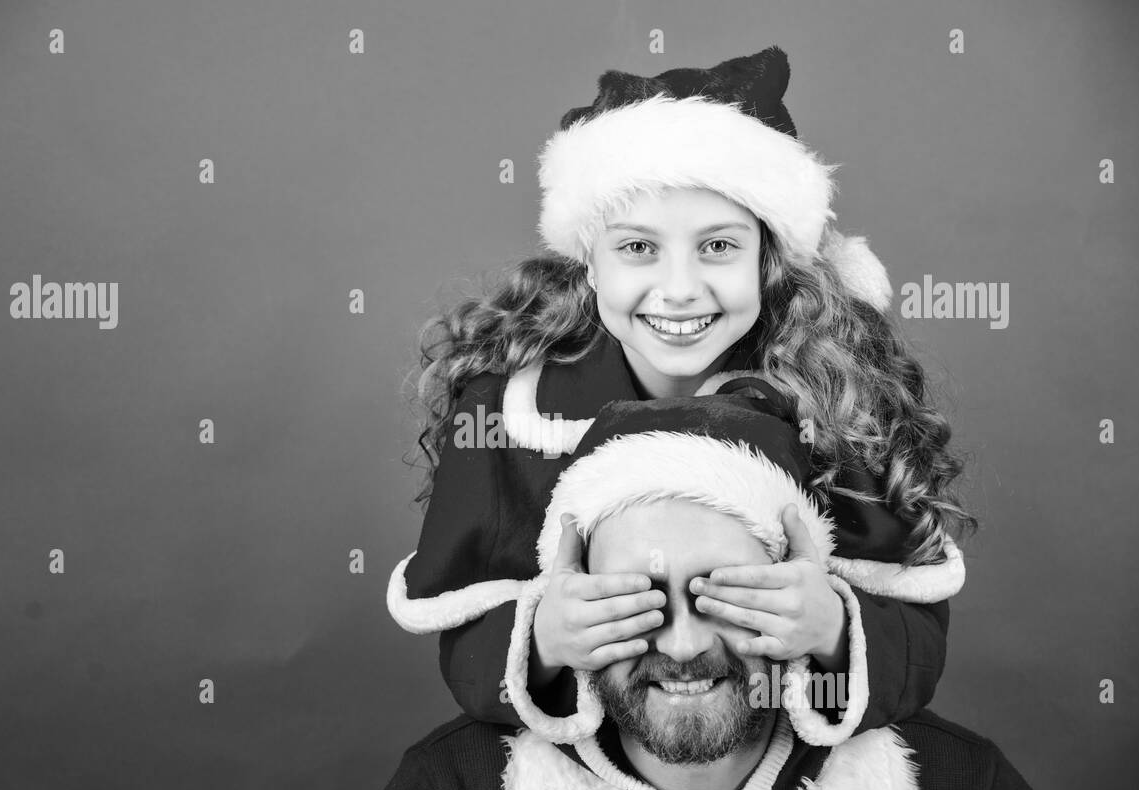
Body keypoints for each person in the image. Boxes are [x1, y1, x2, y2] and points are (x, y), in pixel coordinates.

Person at [388, 47, 973, 749]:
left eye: (718, 247)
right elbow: (469, 645)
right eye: (638, 248)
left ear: (768, 259)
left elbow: (917, 640)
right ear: (589, 262)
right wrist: (542, 639)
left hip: (782, 766)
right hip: (595, 770)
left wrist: (833, 630)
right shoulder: (506, 410)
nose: (679, 288)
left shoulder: (842, 399)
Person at [361, 394, 1069, 790]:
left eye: (725, 593)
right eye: (635, 598)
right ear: (566, 588)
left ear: (798, 581)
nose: (683, 646)